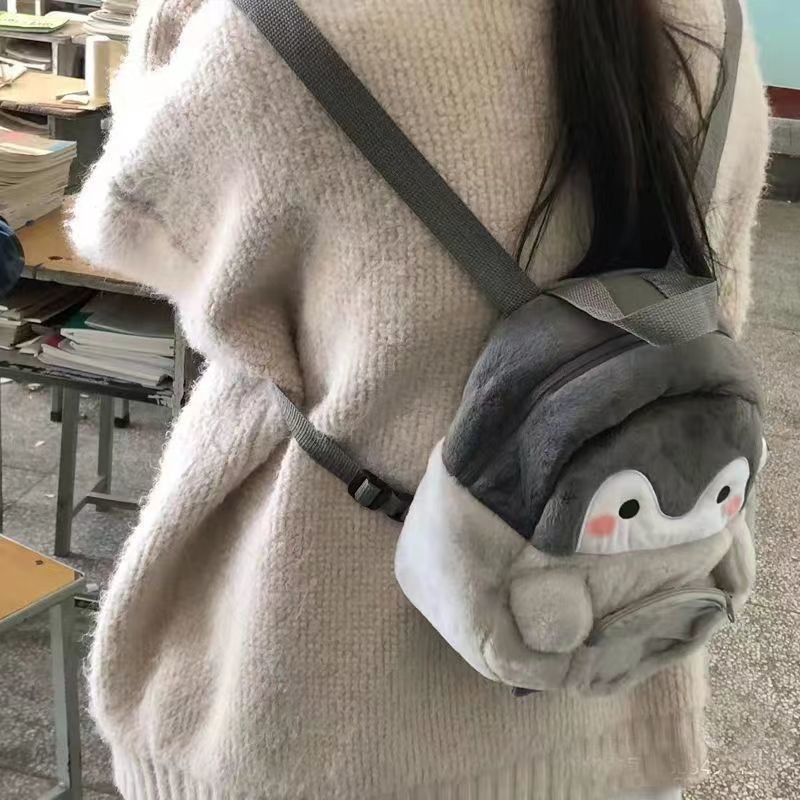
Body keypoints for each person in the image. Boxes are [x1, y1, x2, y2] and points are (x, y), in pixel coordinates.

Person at [69, 0, 769, 798]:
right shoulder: (716, 24)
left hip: (324, 695)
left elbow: (134, 228)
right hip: (613, 691)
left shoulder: (278, 27)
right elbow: (715, 317)